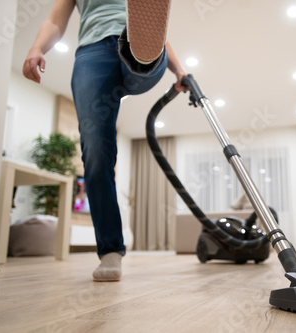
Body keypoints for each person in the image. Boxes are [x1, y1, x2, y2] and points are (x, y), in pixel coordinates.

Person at [23, 0, 187, 282]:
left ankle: (143, 56)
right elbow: (54, 21)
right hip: (91, 53)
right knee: (95, 151)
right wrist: (36, 47)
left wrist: (180, 70)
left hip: (132, 36)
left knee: (143, 49)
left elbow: (162, 34)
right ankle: (110, 251)